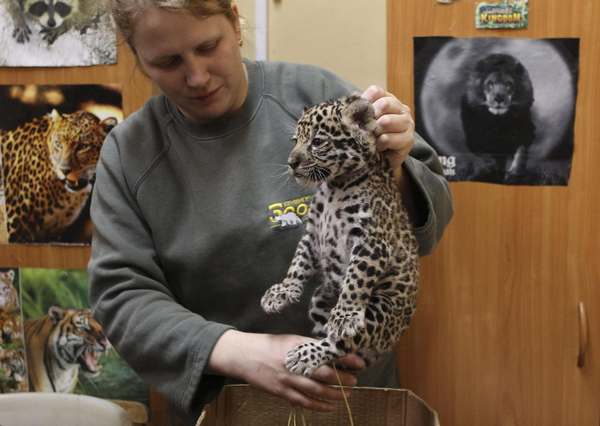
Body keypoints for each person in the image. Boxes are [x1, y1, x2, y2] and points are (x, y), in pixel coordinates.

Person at [88, 1, 454, 424]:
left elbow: (426, 232)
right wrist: (240, 353)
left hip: (356, 402)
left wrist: (392, 167)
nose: (197, 76)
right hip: (227, 406)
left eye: (209, 47)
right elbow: (122, 297)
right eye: (167, 62)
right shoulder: (131, 152)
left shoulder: (314, 94)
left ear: (235, 23)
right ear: (139, 59)